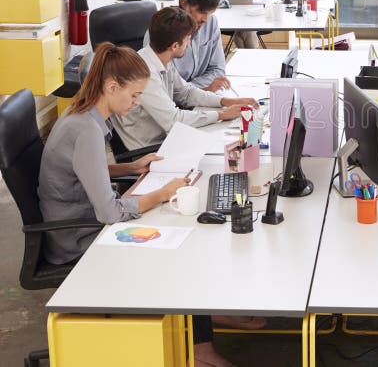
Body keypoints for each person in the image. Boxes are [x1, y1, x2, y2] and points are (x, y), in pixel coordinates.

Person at [36, 44, 243, 367]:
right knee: (181, 244)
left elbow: (84, 170)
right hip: (79, 237)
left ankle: (202, 316)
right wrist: (162, 194)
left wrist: (129, 169)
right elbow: (109, 213)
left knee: (182, 233)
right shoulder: (87, 129)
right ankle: (199, 347)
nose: (136, 104)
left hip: (84, 217)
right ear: (112, 87)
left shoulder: (82, 113)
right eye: (134, 96)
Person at [112, 7, 257, 151]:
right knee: (224, 149)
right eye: (188, 40)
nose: (188, 45)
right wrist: (221, 114)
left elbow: (186, 93)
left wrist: (226, 101)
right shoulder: (144, 73)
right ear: (175, 46)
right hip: (152, 150)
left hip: (169, 137)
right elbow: (173, 120)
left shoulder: (162, 58)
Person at [143, 0, 230, 92]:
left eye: (210, 13)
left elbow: (218, 69)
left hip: (197, 97)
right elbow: (162, 86)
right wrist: (200, 89)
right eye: (202, 12)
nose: (206, 20)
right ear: (184, 3)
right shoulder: (160, 32)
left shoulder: (211, 23)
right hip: (173, 102)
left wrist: (191, 91)